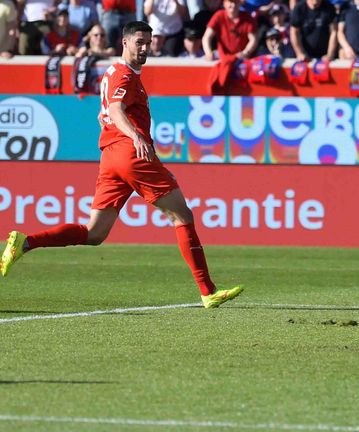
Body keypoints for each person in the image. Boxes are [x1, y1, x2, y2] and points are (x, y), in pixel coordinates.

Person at [0, 21, 243, 309]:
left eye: (148, 43)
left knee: (94, 233)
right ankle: (207, 290)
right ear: (124, 43)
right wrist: (136, 136)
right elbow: (115, 110)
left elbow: (104, 113)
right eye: (139, 42)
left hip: (111, 156)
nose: (144, 48)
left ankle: (25, 243)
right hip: (129, 153)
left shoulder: (112, 74)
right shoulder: (125, 76)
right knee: (182, 216)